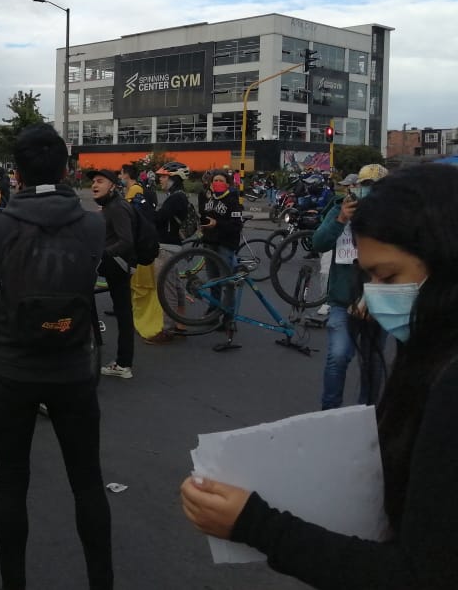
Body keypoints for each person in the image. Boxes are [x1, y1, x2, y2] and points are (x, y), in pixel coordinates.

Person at [180, 163, 458, 588]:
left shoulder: (448, 387)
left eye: (389, 277)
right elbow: (319, 240)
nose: (376, 293)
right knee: (337, 359)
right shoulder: (430, 353)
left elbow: (418, 574)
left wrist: (255, 524)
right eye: (371, 278)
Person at [0, 124, 112, 590]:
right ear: (67, 169)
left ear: (14, 173)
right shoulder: (94, 223)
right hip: (74, 367)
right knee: (88, 482)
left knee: (12, 484)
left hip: (11, 368)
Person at [310, 164, 390, 410]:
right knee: (338, 355)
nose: (371, 192)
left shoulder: (396, 216)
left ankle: (367, 412)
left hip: (379, 303)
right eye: (366, 186)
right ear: (357, 187)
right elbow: (319, 243)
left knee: (373, 360)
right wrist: (341, 218)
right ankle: (330, 413)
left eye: (378, 188)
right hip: (342, 301)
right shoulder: (338, 208)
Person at [88, 168, 136, 379]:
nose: (94, 185)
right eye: (93, 182)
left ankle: (123, 363)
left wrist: (103, 253)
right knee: (123, 311)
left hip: (117, 265)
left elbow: (126, 241)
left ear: (113, 186)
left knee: (124, 313)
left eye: (100, 181)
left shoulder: (116, 207)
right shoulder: (110, 206)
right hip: (115, 265)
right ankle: (120, 360)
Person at [151, 161, 193, 343]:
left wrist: (146, 209)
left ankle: (167, 330)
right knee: (176, 287)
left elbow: (159, 219)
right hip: (174, 246)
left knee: (166, 290)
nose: (160, 179)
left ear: (174, 178)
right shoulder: (178, 196)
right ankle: (181, 325)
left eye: (163, 176)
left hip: (167, 247)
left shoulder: (176, 198)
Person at [120, 163, 162, 343]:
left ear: (127, 175)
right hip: (140, 243)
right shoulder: (137, 189)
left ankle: (148, 323)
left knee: (141, 286)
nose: (119, 177)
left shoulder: (134, 189)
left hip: (139, 244)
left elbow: (129, 215)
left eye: (121, 174)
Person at [199, 169, 243, 324]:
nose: (217, 183)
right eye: (215, 181)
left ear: (227, 184)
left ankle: (228, 316)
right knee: (213, 281)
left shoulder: (233, 200)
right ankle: (213, 311)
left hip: (225, 245)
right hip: (209, 244)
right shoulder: (209, 199)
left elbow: (236, 225)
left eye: (221, 181)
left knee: (227, 282)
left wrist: (217, 224)